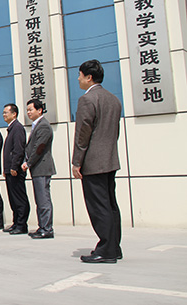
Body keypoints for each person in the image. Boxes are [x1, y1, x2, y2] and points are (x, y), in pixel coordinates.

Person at [72, 59, 123, 264]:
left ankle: (106, 250)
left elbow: (82, 134)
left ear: (89, 77)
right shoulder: (113, 99)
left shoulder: (88, 99)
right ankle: (114, 247)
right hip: (110, 159)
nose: (78, 79)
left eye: (80, 75)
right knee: (110, 205)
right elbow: (114, 132)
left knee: (98, 207)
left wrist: (77, 161)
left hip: (93, 162)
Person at [23, 99, 56, 239]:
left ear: (39, 110)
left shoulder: (43, 126)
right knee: (40, 199)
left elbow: (39, 148)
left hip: (42, 167)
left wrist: (28, 163)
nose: (28, 112)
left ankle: (47, 228)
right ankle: (42, 226)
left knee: (43, 199)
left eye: (31, 109)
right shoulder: (37, 125)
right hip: (37, 168)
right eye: (27, 110)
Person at [2, 104, 29, 235]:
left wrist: (14, 166)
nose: (4, 115)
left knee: (19, 198)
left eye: (6, 112)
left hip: (15, 170)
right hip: (10, 170)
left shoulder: (17, 128)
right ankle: (16, 222)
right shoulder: (11, 129)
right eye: (3, 112)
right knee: (13, 198)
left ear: (14, 114)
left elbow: (19, 149)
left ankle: (22, 225)